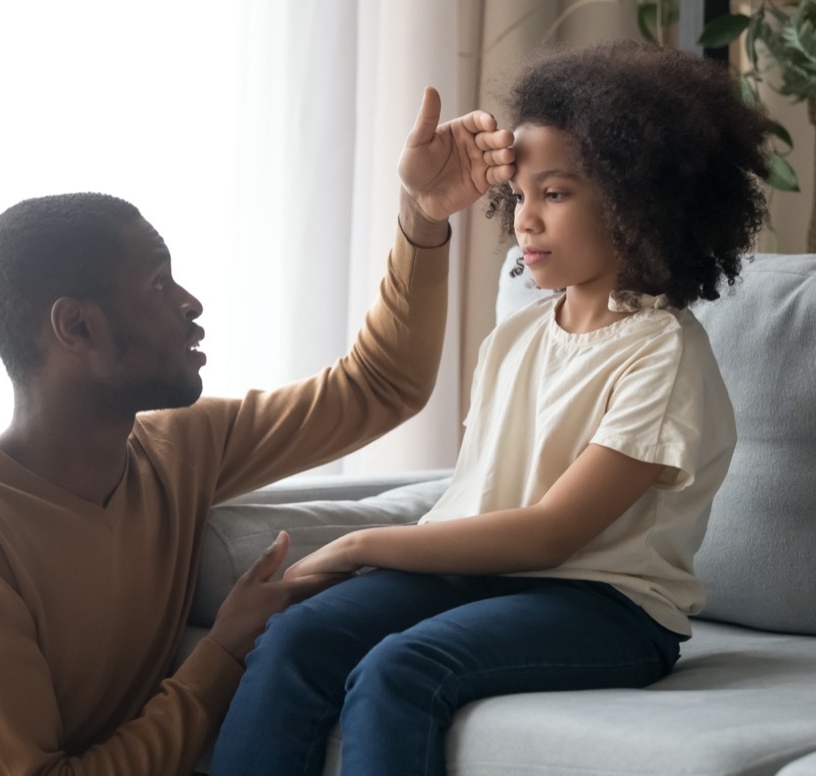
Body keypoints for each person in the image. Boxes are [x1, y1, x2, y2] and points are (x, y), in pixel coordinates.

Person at [0, 87, 515, 776]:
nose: (190, 304)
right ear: (75, 326)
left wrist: (422, 217)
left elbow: (379, 386)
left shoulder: (178, 448)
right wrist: (223, 655)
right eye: (157, 283)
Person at [209, 40, 771, 776]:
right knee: (295, 637)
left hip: (607, 608)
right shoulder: (517, 336)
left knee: (400, 670)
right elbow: (478, 505)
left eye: (557, 193)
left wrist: (358, 545)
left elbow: (547, 536)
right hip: (486, 577)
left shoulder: (661, 355)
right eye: (521, 194)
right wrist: (423, 205)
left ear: (637, 202)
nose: (525, 221)